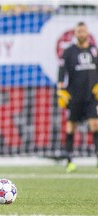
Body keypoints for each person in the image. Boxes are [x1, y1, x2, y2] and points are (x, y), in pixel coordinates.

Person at [57, 21, 98, 173]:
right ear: (75, 33)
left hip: (92, 95)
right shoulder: (69, 52)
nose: (81, 33)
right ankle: (69, 161)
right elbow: (61, 71)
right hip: (74, 95)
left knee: (95, 124)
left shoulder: (94, 50)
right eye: (79, 31)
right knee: (70, 126)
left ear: (87, 33)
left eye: (83, 31)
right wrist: (60, 88)